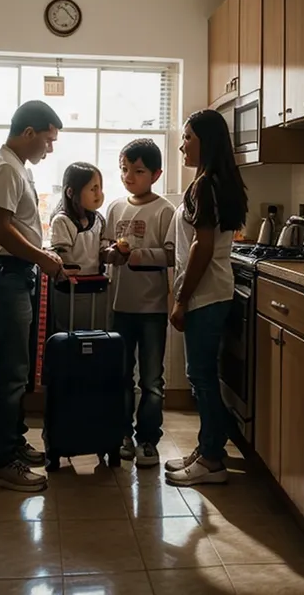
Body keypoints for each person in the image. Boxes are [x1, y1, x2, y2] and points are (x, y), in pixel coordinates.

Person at [0, 99, 71, 493]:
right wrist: (43, 259)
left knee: (16, 368)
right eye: (47, 141)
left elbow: (15, 224)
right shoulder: (5, 168)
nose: (49, 149)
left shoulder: (16, 166)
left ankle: (11, 444)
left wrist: (39, 257)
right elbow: (0, 229)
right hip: (6, 274)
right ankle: (0, 460)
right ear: (28, 132)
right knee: (10, 372)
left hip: (16, 274)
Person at [164, 109, 248, 486]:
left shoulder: (204, 185)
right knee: (203, 376)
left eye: (187, 137)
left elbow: (202, 246)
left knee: (201, 377)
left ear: (205, 141)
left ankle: (212, 458)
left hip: (204, 296)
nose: (182, 144)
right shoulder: (213, 182)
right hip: (214, 292)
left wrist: (181, 299)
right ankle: (208, 446)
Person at [105, 138, 175, 468]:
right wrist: (111, 254)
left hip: (152, 309)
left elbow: (171, 255)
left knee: (151, 380)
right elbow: (105, 248)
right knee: (120, 377)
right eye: (124, 169)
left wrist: (135, 255)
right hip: (120, 306)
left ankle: (148, 439)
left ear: (156, 174)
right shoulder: (116, 207)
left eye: (137, 170)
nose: (128, 176)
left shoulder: (164, 210)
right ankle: (121, 434)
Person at [49, 162, 107, 329]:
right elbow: (63, 255)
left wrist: (112, 252)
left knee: (94, 332)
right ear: (70, 192)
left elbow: (103, 249)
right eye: (92, 189)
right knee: (71, 331)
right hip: (71, 289)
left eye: (100, 188)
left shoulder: (99, 220)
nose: (98, 194)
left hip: (95, 286)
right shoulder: (62, 221)